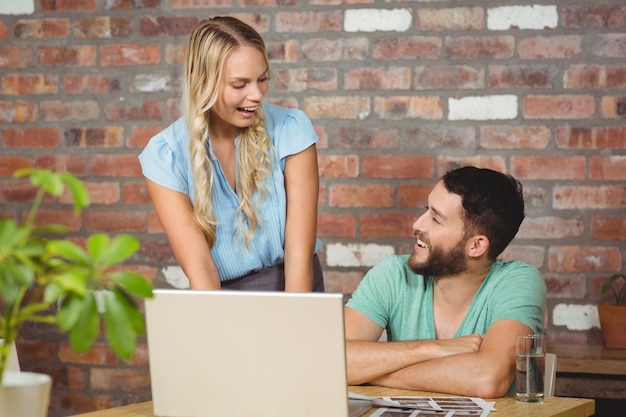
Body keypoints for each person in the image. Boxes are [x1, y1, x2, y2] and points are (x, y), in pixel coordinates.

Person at [138, 16, 323, 292]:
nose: (257, 94)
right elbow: (200, 266)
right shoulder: (166, 156)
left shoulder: (290, 130)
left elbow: (299, 254)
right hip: (221, 300)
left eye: (262, 79)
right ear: (201, 83)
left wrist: (293, 323)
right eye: (240, 85)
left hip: (297, 288)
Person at [344, 166, 546, 398]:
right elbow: (327, 359)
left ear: (476, 246)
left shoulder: (518, 282)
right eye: (425, 210)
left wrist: (373, 373)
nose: (417, 225)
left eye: (436, 219)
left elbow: (487, 379)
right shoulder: (393, 274)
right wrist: (432, 348)